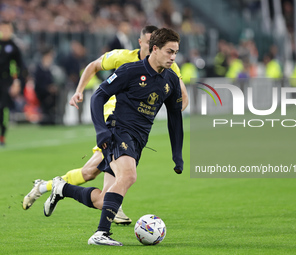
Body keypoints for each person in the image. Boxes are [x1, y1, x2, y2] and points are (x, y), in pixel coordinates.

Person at [22, 25, 189, 224]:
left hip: (136, 129)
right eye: (149, 43)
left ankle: (52, 187)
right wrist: (79, 90)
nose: (153, 46)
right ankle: (108, 215)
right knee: (123, 174)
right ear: (144, 44)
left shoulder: (168, 65)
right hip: (115, 123)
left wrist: (157, 105)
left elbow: (181, 98)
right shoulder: (124, 58)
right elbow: (93, 66)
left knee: (89, 173)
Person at [0, 21, 24, 146]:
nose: (5, 31)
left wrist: (16, 82)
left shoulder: (14, 47)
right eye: (3, 29)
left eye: (7, 29)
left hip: (5, 81)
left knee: (3, 108)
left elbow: (19, 66)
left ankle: (2, 136)